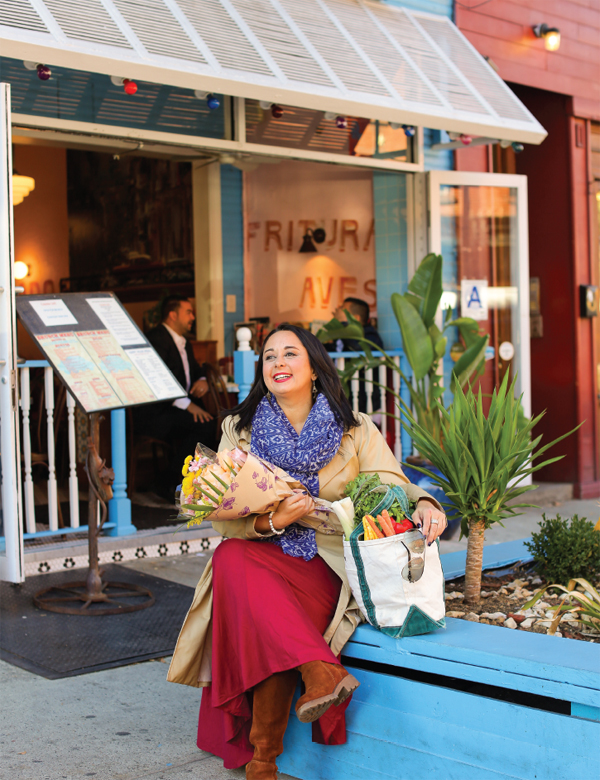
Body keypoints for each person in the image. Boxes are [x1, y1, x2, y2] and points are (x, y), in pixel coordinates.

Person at [166, 324, 447, 780]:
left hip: (329, 562)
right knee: (230, 559)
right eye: (269, 356)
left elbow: (392, 484)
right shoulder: (240, 430)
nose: (278, 362)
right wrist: (275, 521)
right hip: (264, 551)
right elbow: (219, 513)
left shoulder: (355, 429)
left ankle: (263, 761)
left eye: (289, 354)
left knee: (265, 613)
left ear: (314, 368)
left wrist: (426, 502)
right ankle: (320, 672)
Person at [133, 294, 218, 495]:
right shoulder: (155, 339)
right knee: (205, 426)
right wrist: (187, 405)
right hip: (154, 411)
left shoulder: (184, 342)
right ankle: (169, 482)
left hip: (176, 408)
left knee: (213, 424)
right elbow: (155, 378)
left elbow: (197, 370)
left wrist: (202, 380)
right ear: (172, 315)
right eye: (188, 312)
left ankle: (188, 482)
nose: (193, 317)